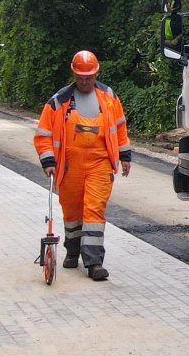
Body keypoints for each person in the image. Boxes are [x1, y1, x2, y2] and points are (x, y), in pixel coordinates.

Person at [32, 50, 132, 281]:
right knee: (72, 212)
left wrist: (125, 155)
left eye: (89, 77)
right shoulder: (59, 101)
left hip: (100, 163)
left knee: (93, 210)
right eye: (81, 78)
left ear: (96, 73)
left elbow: (120, 128)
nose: (85, 82)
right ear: (74, 74)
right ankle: (72, 251)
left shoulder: (108, 97)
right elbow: (43, 134)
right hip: (70, 166)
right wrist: (48, 161)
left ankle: (94, 262)